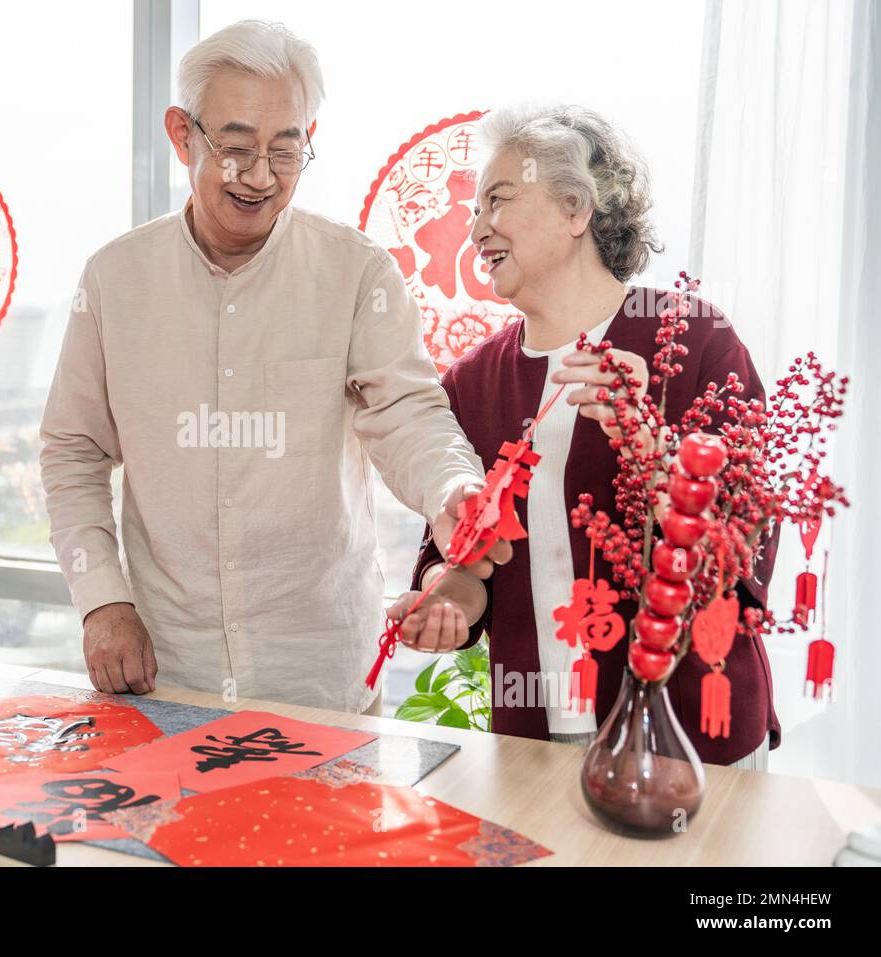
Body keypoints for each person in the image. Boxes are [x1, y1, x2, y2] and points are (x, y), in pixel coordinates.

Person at [39, 20, 502, 715]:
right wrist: (103, 600)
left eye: (286, 151)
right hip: (166, 673)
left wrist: (454, 491)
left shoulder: (355, 273)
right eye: (235, 148)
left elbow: (408, 415)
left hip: (319, 678)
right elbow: (73, 452)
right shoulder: (115, 279)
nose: (259, 176)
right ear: (181, 135)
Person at [391, 104, 778, 767]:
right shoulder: (472, 381)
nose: (476, 226)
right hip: (534, 743)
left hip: (691, 747)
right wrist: (447, 599)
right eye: (474, 209)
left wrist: (655, 456)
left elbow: (743, 549)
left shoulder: (695, 342)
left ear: (577, 210)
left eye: (498, 201)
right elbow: (461, 558)